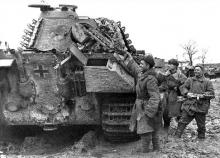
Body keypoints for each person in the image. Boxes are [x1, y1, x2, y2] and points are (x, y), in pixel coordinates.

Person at [114, 52, 161, 152]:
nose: (140, 65)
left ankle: (146, 152)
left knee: (146, 131)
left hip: (146, 106)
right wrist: (128, 58)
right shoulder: (143, 74)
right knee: (151, 129)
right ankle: (156, 151)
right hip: (142, 105)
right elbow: (135, 68)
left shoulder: (151, 79)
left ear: (148, 66)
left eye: (142, 64)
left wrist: (149, 112)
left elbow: (155, 97)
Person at [175, 65, 215, 139]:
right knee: (182, 122)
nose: (196, 71)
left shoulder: (207, 82)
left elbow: (212, 93)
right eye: (195, 70)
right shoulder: (190, 80)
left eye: (198, 70)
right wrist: (187, 93)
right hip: (189, 105)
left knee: (201, 126)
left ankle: (201, 140)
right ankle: (176, 139)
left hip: (201, 107)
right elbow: (183, 87)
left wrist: (203, 95)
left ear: (202, 71)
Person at [158, 59, 187, 129]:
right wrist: (160, 88)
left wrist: (178, 87)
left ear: (176, 66)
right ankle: (166, 126)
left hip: (177, 95)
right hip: (167, 95)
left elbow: (186, 86)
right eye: (169, 64)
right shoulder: (166, 75)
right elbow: (163, 85)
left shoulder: (181, 76)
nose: (169, 65)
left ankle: (179, 128)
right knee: (165, 112)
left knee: (178, 112)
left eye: (171, 64)